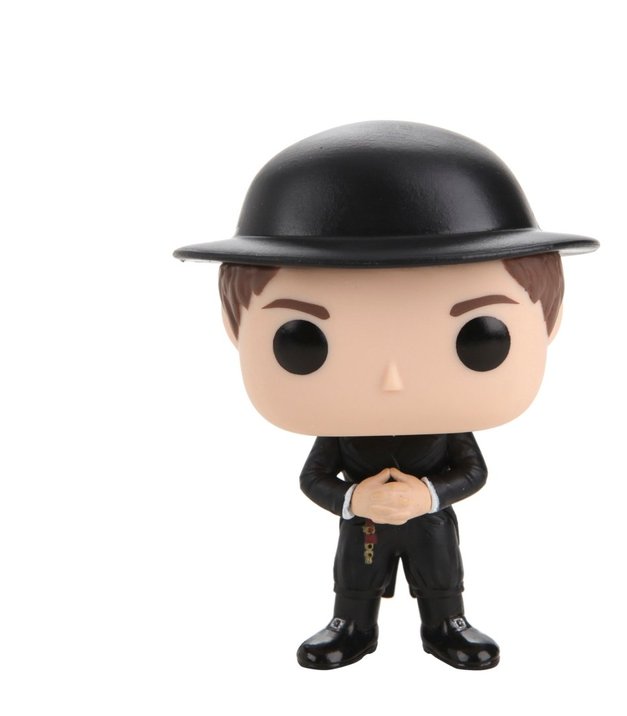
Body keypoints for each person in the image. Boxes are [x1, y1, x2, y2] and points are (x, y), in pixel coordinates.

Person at [174, 121, 598, 669]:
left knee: (441, 579)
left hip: (430, 523)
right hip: (365, 527)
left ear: (549, 321)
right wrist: (355, 501)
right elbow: (313, 478)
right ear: (236, 329)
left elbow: (473, 472)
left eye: (478, 337)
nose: (392, 380)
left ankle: (447, 622)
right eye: (303, 342)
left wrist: (428, 497)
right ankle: (352, 624)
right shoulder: (340, 431)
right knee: (355, 581)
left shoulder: (447, 428)